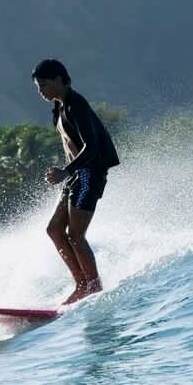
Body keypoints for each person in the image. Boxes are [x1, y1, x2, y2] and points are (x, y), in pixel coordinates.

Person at [32, 58, 120, 304]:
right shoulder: (59, 109)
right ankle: (82, 284)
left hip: (90, 173)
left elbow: (91, 147)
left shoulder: (75, 105)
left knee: (76, 235)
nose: (41, 91)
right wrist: (65, 171)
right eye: (38, 87)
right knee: (54, 230)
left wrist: (64, 171)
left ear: (61, 80)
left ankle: (93, 286)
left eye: (45, 85)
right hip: (76, 175)